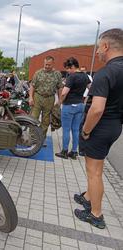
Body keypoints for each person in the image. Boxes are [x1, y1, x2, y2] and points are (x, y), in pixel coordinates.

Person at [74, 28, 123, 229]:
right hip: (114, 126)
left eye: (98, 48)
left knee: (94, 172)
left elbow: (96, 109)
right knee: (98, 168)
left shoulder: (106, 73)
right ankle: (88, 197)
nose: (97, 53)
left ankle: (96, 215)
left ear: (106, 46)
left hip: (99, 127)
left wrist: (86, 131)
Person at [55, 57, 91, 159]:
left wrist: (60, 102)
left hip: (69, 106)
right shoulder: (85, 76)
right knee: (75, 130)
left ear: (72, 66)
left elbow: (64, 92)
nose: (67, 71)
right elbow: (91, 88)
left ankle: (64, 151)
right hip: (80, 105)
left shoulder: (72, 77)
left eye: (67, 68)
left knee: (66, 129)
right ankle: (74, 152)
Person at [29, 56, 63, 145]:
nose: (47, 66)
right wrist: (30, 97)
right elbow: (32, 85)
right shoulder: (38, 73)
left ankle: (41, 139)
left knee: (46, 121)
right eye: (46, 64)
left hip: (50, 99)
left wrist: (60, 100)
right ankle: (32, 138)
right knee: (33, 118)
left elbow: (60, 88)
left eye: (49, 65)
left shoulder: (57, 74)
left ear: (53, 64)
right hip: (38, 97)